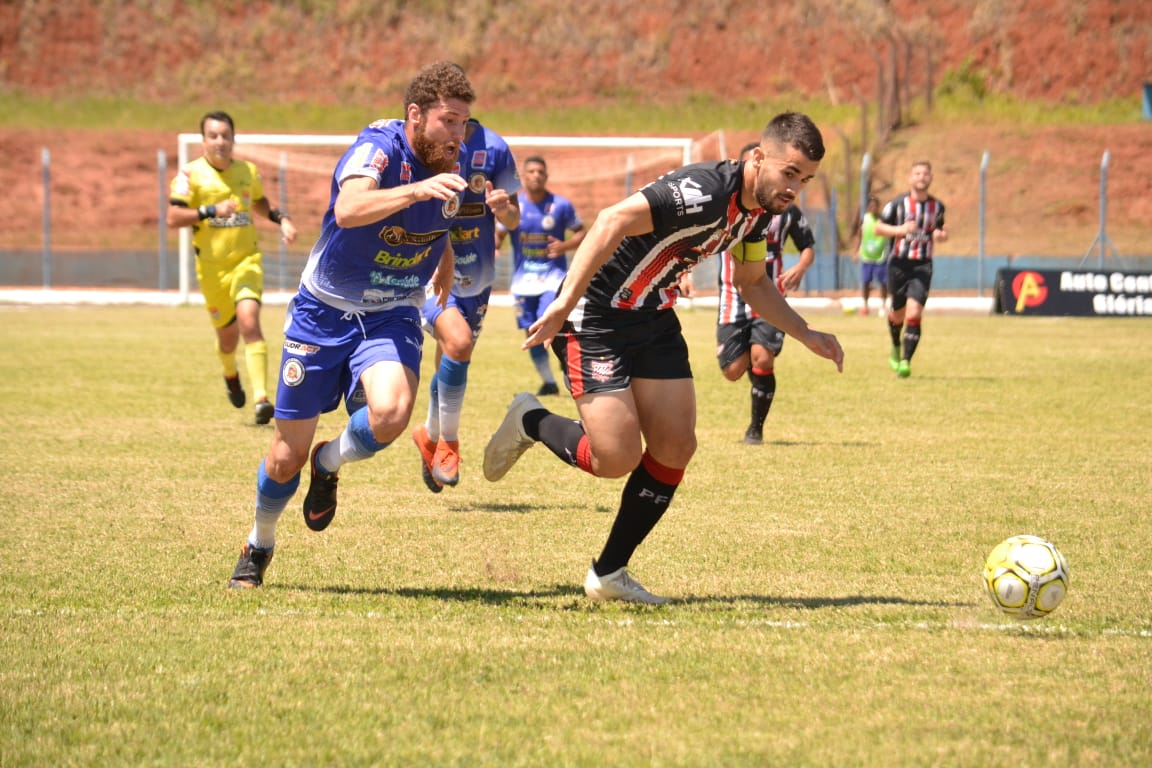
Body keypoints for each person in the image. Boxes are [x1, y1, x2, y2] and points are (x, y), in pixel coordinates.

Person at [481, 113, 844, 604]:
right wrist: (564, 303)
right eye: (790, 173)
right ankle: (532, 419)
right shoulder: (703, 190)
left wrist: (805, 333)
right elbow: (611, 219)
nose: (795, 188)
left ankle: (608, 573)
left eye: (805, 180)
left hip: (653, 318)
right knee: (616, 457)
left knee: (675, 446)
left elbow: (753, 283)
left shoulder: (759, 211)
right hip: (597, 314)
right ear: (758, 157)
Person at [227, 61, 480, 589]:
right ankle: (259, 542)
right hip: (323, 313)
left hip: (390, 310)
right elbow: (348, 209)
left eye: (463, 123)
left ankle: (330, 461)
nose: (458, 134)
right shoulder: (378, 149)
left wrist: (445, 268)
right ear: (416, 115)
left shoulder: (455, 165)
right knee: (283, 456)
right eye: (448, 121)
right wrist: (415, 191)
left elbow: (442, 228)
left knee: (390, 412)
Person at [411, 118, 521, 493]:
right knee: (457, 344)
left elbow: (514, 217)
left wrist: (502, 209)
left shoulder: (495, 147)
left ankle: (430, 434)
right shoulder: (423, 143)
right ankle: (449, 444)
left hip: (479, 278)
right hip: (429, 270)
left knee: (451, 353)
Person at [167, 111, 298, 425]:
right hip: (212, 271)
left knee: (249, 320)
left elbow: (258, 201)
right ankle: (230, 374)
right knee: (227, 339)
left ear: (233, 139)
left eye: (225, 135)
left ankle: (262, 400)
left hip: (246, 261)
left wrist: (282, 219)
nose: (220, 142)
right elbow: (173, 218)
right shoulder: (189, 175)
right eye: (213, 136)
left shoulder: (247, 172)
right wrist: (211, 209)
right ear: (203, 141)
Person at [496, 156, 586, 396]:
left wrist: (564, 246)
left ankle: (569, 369)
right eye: (531, 172)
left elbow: (582, 233)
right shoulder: (516, 208)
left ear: (546, 177)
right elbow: (499, 234)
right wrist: (493, 247)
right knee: (531, 332)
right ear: (524, 177)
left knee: (551, 324)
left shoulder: (561, 205)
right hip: (522, 283)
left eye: (540, 172)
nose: (536, 175)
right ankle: (549, 382)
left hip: (553, 279)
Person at [874, 161, 948, 378]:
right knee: (897, 315)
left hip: (923, 265)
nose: (921, 177)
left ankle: (906, 360)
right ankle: (896, 346)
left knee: (914, 312)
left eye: (925, 173)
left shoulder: (938, 207)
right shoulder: (897, 204)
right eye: (917, 173)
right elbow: (877, 228)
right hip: (899, 263)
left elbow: (942, 230)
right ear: (910, 178)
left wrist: (941, 235)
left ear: (931, 178)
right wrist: (901, 229)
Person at [851, 195, 887, 315]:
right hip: (867, 256)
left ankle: (883, 306)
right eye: (871, 206)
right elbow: (859, 236)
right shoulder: (865, 219)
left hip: (880, 256)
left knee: (883, 282)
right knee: (866, 281)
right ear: (868, 208)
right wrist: (855, 251)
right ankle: (865, 306)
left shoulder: (883, 219)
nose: (873, 208)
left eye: (875, 206)